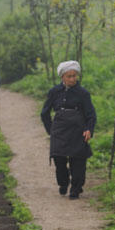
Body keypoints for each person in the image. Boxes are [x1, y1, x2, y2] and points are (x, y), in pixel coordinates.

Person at [41, 60, 97, 200]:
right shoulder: (54, 92)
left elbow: (91, 115)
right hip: (59, 130)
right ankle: (63, 183)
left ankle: (76, 189)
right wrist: (51, 130)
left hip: (78, 130)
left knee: (77, 161)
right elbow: (45, 113)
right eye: (69, 76)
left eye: (74, 76)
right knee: (59, 159)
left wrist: (89, 129)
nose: (72, 79)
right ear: (62, 77)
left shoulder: (83, 93)